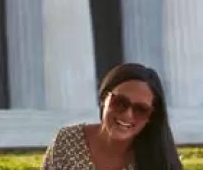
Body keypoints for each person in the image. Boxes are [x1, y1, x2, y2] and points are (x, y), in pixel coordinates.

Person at [42, 63, 183, 170]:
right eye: (120, 102)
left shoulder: (159, 161)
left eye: (140, 109)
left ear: (151, 117)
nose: (128, 114)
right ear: (104, 98)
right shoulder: (67, 141)